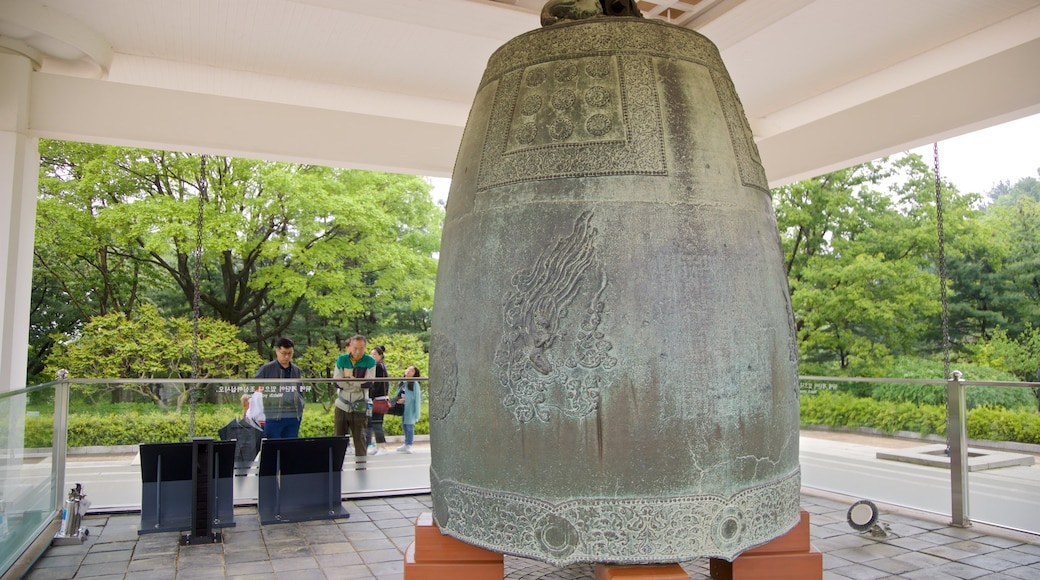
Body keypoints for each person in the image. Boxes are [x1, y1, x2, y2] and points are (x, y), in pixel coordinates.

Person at [334, 335, 376, 460]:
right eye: (355, 348)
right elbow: (337, 382)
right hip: (342, 404)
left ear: (365, 347)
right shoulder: (341, 359)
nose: (358, 351)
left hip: (360, 404)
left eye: (361, 348)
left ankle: (361, 468)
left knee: (360, 439)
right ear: (350, 346)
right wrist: (357, 383)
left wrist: (349, 381)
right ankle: (336, 468)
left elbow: (369, 383)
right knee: (338, 439)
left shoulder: (370, 361)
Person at [254, 337, 304, 439]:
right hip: (274, 415)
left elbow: (300, 390)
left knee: (290, 447)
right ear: (277, 351)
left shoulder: (296, 370)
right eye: (284, 353)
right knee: (272, 446)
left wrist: (301, 405)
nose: (286, 356)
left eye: (290, 353)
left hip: (293, 415)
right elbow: (254, 386)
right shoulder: (266, 369)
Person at [366, 345, 391, 455]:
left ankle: (382, 446)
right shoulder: (378, 366)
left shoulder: (379, 367)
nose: (372, 356)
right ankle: (379, 445)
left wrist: (371, 395)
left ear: (380, 356)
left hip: (378, 398)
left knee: (376, 423)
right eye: (371, 354)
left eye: (374, 354)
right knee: (374, 422)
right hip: (378, 398)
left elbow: (377, 384)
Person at [395, 365, 422, 453]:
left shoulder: (414, 383)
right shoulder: (403, 382)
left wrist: (406, 400)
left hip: (410, 407)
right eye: (408, 369)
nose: (408, 371)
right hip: (403, 407)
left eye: (412, 371)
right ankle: (406, 443)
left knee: (409, 425)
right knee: (404, 424)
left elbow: (416, 397)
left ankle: (409, 444)